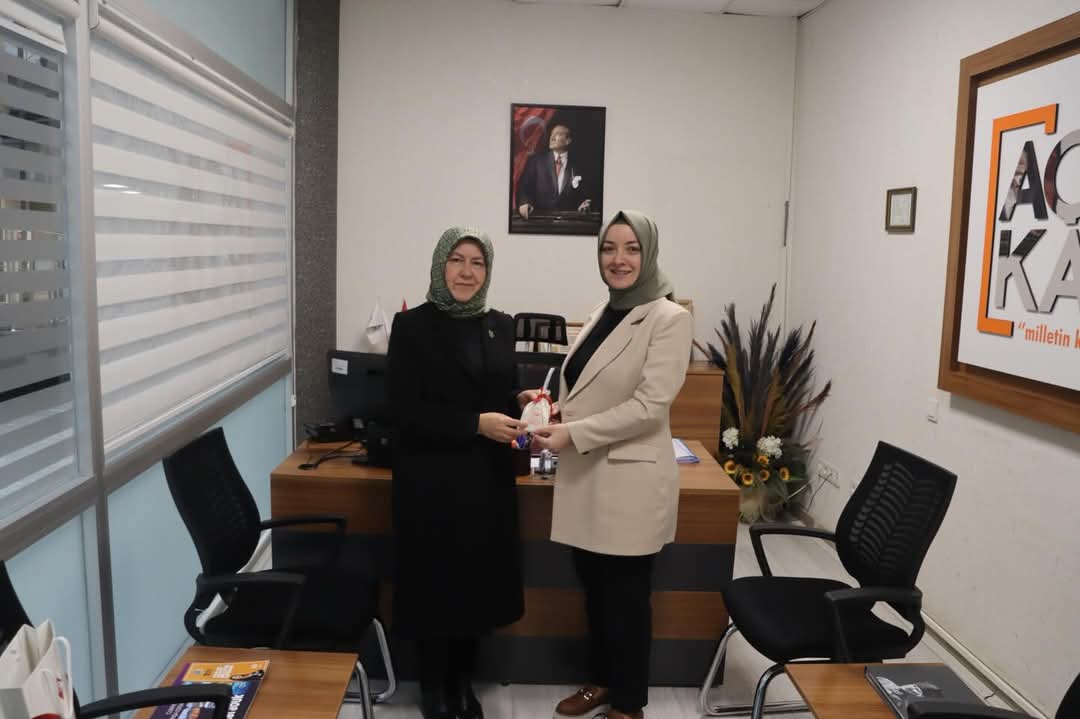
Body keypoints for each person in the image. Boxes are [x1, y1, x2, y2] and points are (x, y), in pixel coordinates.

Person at [532, 210, 692, 719]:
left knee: (626, 601)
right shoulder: (605, 308)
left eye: (631, 248)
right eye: (608, 248)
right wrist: (554, 407)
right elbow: (587, 385)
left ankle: (628, 705)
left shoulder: (669, 318)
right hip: (588, 475)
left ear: (649, 254)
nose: (618, 259)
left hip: (629, 483)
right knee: (596, 593)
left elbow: (649, 407)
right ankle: (601, 681)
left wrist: (573, 434)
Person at [387, 226, 534, 719]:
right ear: (440, 265)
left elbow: (497, 389)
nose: (467, 272)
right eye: (457, 260)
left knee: (475, 593)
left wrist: (519, 399)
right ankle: (433, 688)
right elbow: (404, 412)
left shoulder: (500, 324)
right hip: (431, 483)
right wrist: (475, 424)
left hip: (484, 484)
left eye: (478, 262)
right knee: (435, 590)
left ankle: (463, 684)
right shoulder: (411, 327)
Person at [516, 123, 593, 219]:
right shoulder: (536, 162)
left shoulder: (579, 164)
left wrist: (584, 203)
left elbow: (584, 193)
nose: (552, 138)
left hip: (569, 220)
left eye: (557, 134)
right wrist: (525, 202)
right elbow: (525, 188)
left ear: (568, 141)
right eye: (552, 134)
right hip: (540, 220)